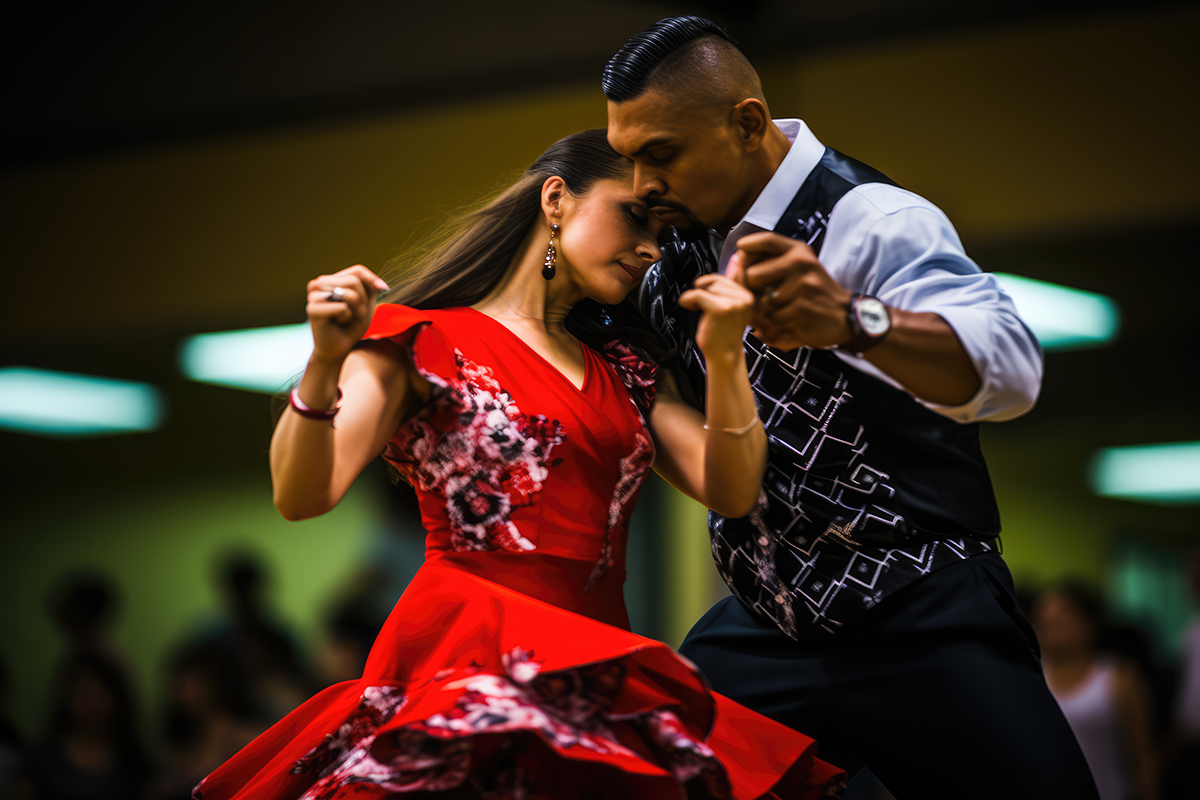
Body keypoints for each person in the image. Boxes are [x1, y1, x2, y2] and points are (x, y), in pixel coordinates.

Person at [193, 129, 842, 799]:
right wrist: (326, 361)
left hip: (596, 660)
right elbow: (305, 493)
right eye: (635, 215)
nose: (651, 248)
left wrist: (727, 354)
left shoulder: (627, 371)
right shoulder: (421, 337)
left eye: (663, 230)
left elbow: (732, 491)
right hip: (465, 653)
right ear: (556, 199)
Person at [597, 16, 1098, 799]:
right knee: (644, 774)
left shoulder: (874, 218)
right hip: (768, 624)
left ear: (748, 123)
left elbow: (1011, 369)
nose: (640, 186)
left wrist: (852, 320)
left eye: (661, 155)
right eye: (628, 160)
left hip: (920, 607)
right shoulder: (670, 250)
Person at [1033, 582, 1159, 800]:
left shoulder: (1118, 678)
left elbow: (1142, 756)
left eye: (1059, 623)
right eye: (1044, 624)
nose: (1049, 632)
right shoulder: (1032, 678)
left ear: (1089, 624)